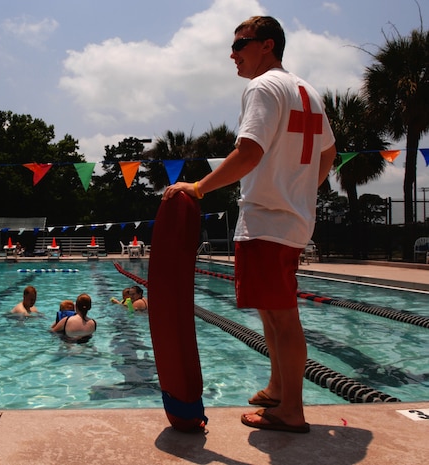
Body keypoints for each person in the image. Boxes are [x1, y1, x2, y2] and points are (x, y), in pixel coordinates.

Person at [163, 16, 336, 434]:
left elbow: (249, 152)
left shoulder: (262, 87)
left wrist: (199, 188)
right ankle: (279, 387)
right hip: (289, 219)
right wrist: (298, 192)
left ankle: (291, 410)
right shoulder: (307, 91)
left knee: (282, 316)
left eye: (240, 43)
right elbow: (328, 155)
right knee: (271, 313)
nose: (232, 53)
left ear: (267, 45)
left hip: (268, 219)